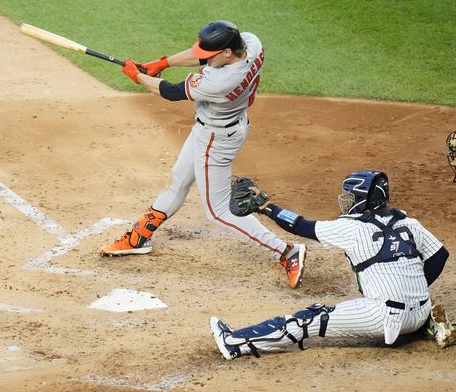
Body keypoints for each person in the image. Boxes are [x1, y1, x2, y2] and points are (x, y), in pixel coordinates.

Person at [100, 20, 305, 289]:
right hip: (220, 127)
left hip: (216, 139)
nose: (204, 59)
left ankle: (286, 251)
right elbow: (201, 55)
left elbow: (170, 92)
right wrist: (162, 63)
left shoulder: (220, 81)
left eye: (210, 56)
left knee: (219, 212)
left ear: (228, 53)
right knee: (179, 180)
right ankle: (138, 237)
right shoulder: (251, 43)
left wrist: (138, 76)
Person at [210, 170, 453, 360]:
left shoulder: (353, 228)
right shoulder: (408, 222)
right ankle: (427, 326)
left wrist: (266, 208)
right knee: (408, 299)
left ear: (363, 200)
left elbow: (300, 225)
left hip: (383, 318)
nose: (346, 201)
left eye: (352, 197)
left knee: (310, 319)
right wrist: (413, 287)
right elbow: (440, 255)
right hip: (420, 311)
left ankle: (235, 343)